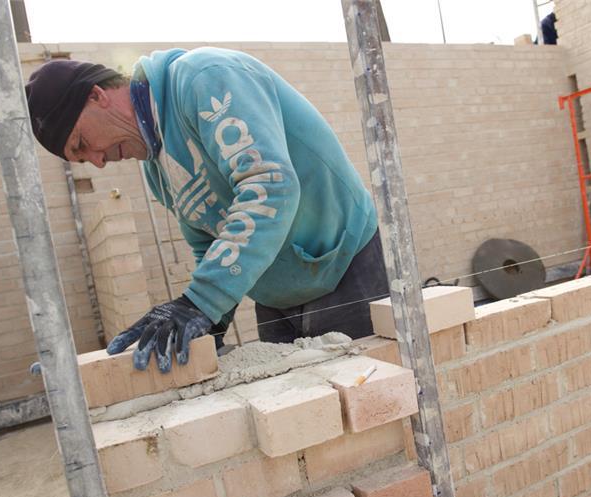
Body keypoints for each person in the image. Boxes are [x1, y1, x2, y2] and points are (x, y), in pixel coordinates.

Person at [25, 48, 388, 372]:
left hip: (344, 266)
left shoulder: (204, 79)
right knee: (300, 422)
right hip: (275, 297)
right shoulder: (157, 170)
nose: (98, 161)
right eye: (83, 159)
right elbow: (212, 244)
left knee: (370, 403)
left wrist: (200, 302)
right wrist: (209, 320)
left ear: (96, 95)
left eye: (83, 144)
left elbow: (270, 185)